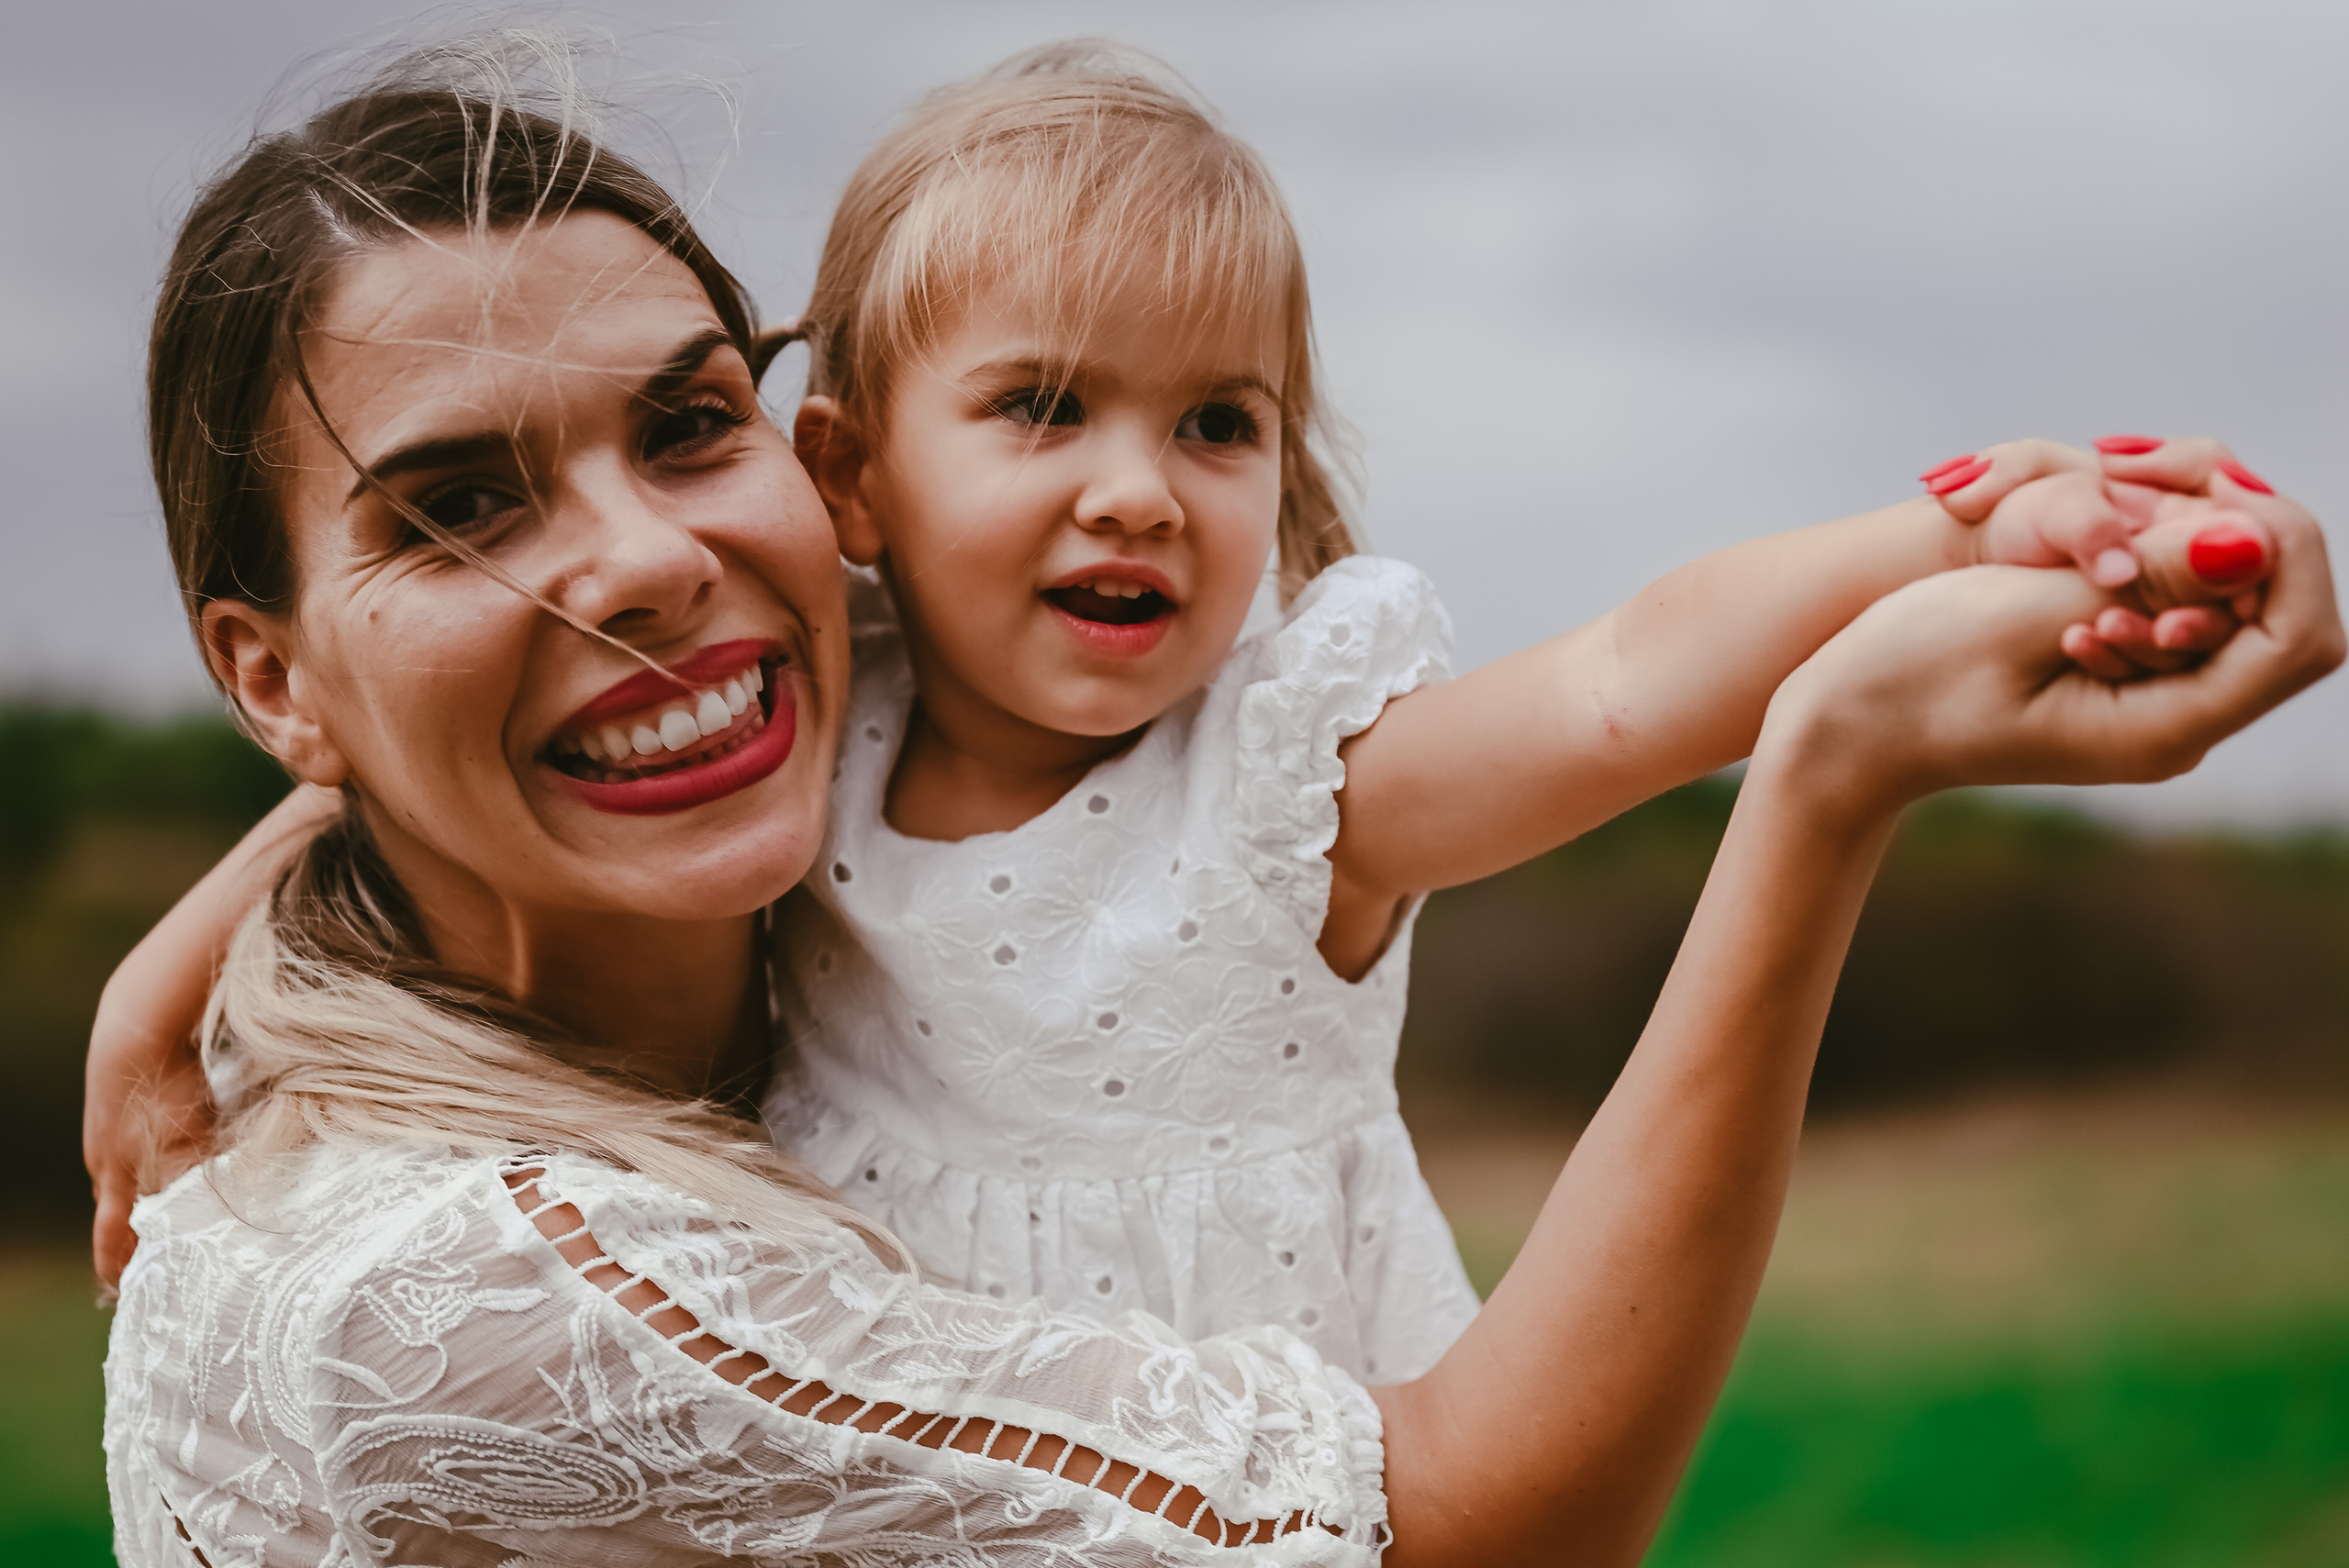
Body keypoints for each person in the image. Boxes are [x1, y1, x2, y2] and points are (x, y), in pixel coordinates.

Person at [98, 41, 2342, 1568]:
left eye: (1218, 426)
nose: (1133, 492)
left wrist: (1955, 538)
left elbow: (1634, 673)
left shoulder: (1271, 765)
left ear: (789, 482)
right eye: (457, 508)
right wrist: (210, 920)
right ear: (868, 479)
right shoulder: (495, 1270)